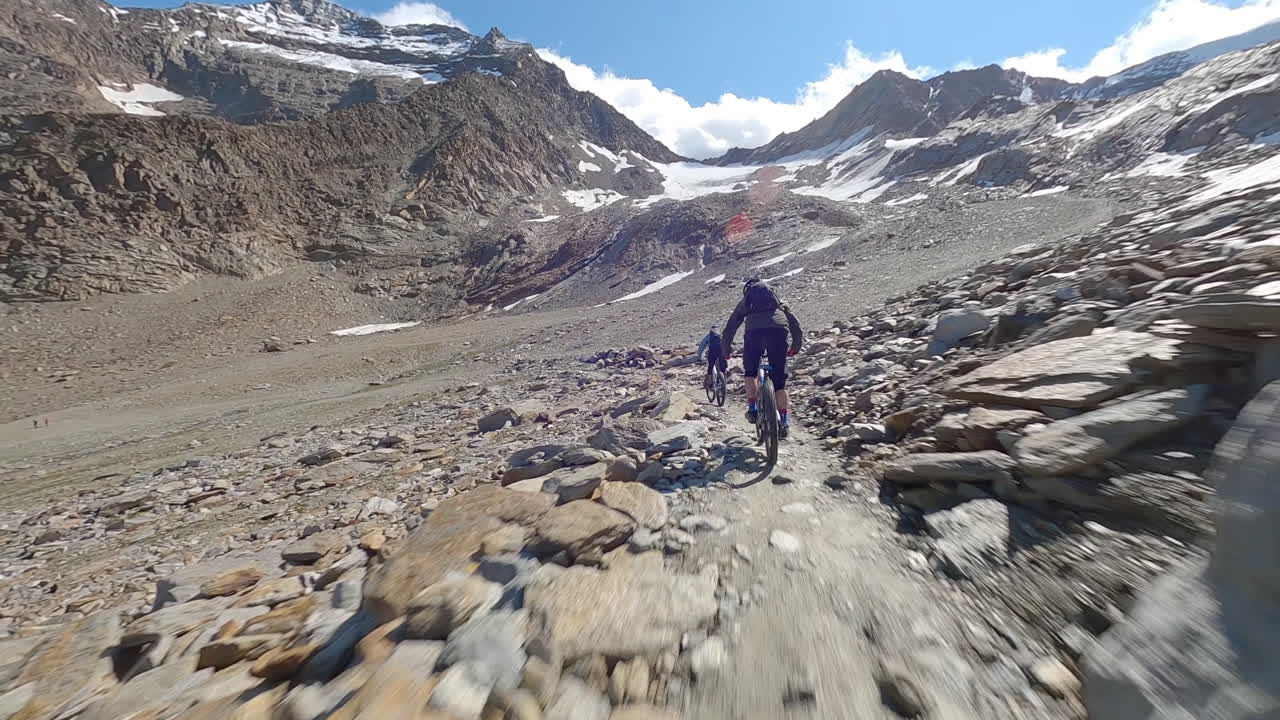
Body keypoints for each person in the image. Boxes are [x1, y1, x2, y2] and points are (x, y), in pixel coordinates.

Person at [723, 278, 803, 438]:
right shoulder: (778, 302)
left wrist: (726, 349)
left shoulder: (747, 302)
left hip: (755, 333)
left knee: (750, 373)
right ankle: (784, 422)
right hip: (779, 331)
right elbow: (795, 325)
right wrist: (795, 347)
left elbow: (731, 326)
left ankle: (752, 409)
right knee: (780, 383)